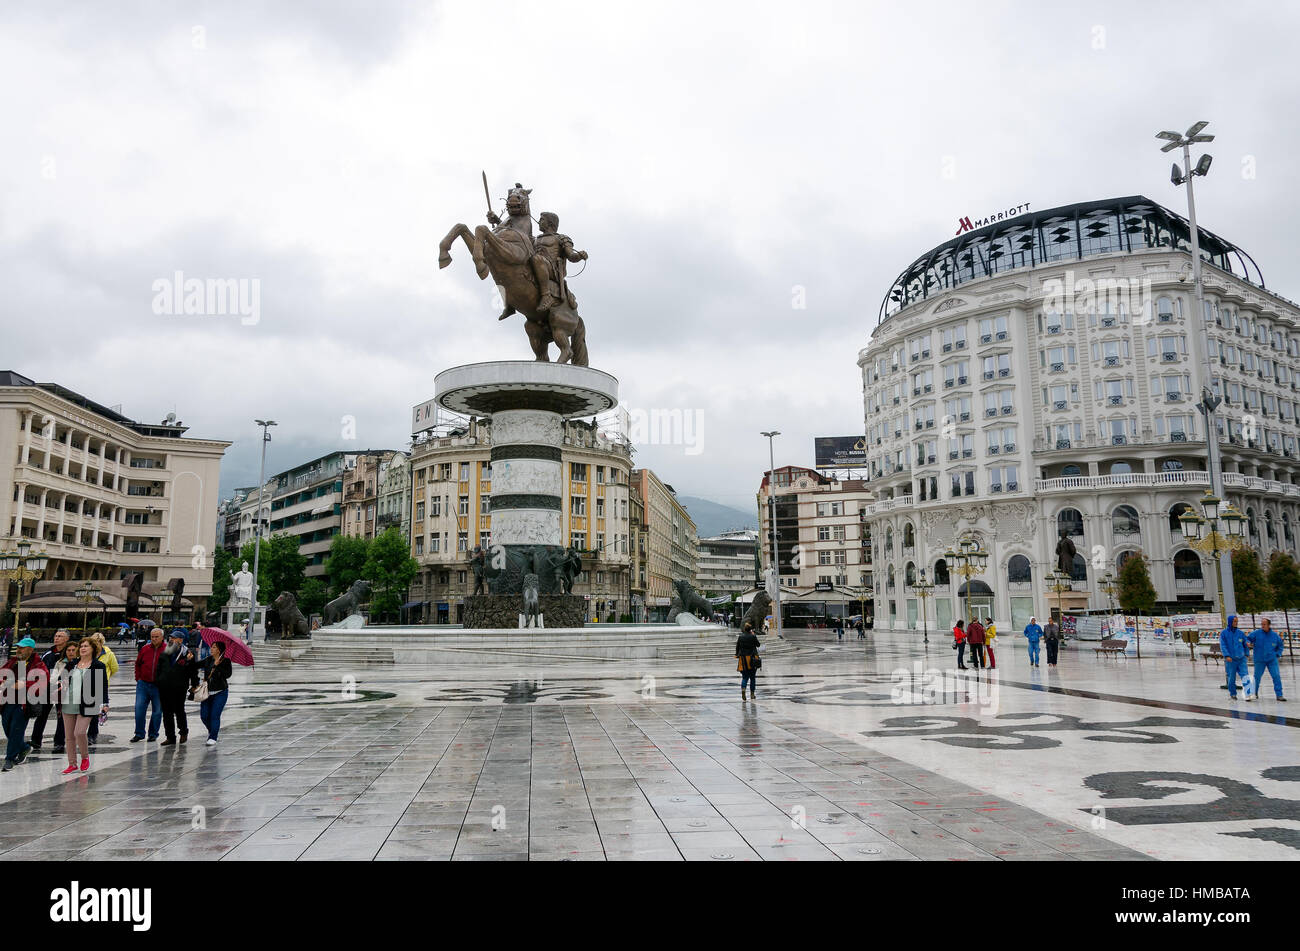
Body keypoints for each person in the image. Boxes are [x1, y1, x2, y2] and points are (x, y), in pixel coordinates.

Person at [59, 639, 108, 774]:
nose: (82, 648)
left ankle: (85, 757)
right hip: (69, 701)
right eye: (81, 646)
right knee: (69, 736)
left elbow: (102, 685)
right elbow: (61, 679)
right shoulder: (72, 664)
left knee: (79, 732)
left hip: (88, 702)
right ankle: (72, 764)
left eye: (86, 646)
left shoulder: (98, 665)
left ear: (93, 649)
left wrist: (105, 703)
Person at [1, 638, 48, 771]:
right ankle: (24, 747)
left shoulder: (38, 664)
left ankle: (10, 759)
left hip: (25, 703)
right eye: (18, 647)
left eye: (22, 647)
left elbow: (42, 683)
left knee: (16, 729)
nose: (19, 650)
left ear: (30, 650)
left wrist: (22, 685)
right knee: (7, 727)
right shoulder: (13, 661)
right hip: (8, 701)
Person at [29, 629, 70, 753]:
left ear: (66, 639)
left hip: (62, 689)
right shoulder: (48, 653)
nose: (56, 638)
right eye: (56, 635)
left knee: (61, 717)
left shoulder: (70, 652)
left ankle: (59, 742)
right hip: (47, 688)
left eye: (60, 636)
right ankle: (36, 740)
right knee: (41, 715)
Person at [156, 629, 198, 744]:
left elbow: (193, 671)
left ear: (181, 640)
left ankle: (183, 732)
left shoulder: (187, 653)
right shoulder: (167, 651)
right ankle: (170, 736)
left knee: (179, 710)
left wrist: (194, 685)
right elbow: (159, 667)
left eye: (174, 638)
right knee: (167, 712)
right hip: (165, 686)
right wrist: (158, 680)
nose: (171, 640)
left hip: (179, 686)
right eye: (170, 638)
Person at [131, 626, 167, 742]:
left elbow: (175, 664)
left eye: (157, 637)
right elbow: (138, 664)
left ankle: (153, 733)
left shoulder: (168, 649)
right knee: (139, 709)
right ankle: (139, 733)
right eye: (152, 637)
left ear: (162, 637)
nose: (154, 639)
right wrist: (138, 678)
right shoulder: (145, 648)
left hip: (160, 686)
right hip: (144, 684)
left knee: (157, 711)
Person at [84, 633, 118, 748]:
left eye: (98, 641)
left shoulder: (109, 654)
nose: (96, 644)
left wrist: (106, 676)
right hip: (86, 684)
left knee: (95, 711)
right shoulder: (88, 653)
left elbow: (114, 668)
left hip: (100, 684)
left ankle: (92, 735)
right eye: (94, 641)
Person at [196, 640, 233, 745]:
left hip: (220, 692)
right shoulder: (208, 660)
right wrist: (188, 660)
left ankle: (213, 737)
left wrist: (218, 666)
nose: (211, 649)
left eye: (214, 647)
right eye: (211, 647)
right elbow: (196, 665)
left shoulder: (226, 661)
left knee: (214, 715)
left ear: (219, 650)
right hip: (207, 692)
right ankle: (212, 731)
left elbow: (227, 675)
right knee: (204, 715)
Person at [1246, 617, 1286, 702]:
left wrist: (1277, 654)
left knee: (1276, 676)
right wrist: (1248, 642)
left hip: (1272, 660)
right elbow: (1247, 638)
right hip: (1259, 659)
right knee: (1257, 677)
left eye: (1264, 624)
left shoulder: (1275, 635)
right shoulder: (1256, 633)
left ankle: (1279, 695)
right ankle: (1254, 693)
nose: (1262, 626)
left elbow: (1280, 646)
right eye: (1262, 624)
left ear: (1269, 625)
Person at [1218, 615, 1249, 701]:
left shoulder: (1240, 633)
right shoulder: (1224, 633)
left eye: (1237, 621)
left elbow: (1245, 643)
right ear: (1230, 622)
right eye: (1234, 621)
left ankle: (1248, 693)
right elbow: (1223, 645)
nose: (1236, 623)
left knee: (1245, 676)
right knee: (1231, 677)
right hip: (1231, 659)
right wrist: (1226, 655)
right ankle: (1233, 693)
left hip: (1241, 658)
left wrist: (1246, 654)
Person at [735, 622, 761, 700]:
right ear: (750, 630)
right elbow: (758, 645)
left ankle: (743, 689)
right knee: (752, 677)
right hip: (752, 659)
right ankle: (752, 694)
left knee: (745, 677)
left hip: (743, 659)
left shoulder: (740, 637)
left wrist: (737, 654)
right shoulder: (753, 636)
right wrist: (753, 635)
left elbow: (737, 647)